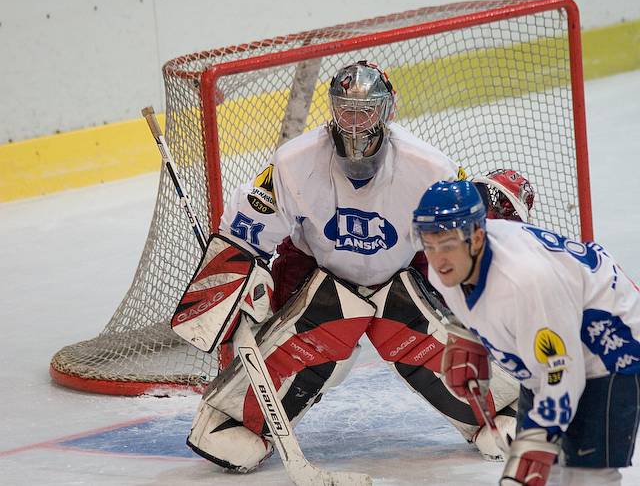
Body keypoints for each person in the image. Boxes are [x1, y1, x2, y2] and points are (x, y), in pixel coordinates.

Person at [173, 61, 520, 473]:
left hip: (400, 275)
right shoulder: (295, 161)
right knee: (312, 336)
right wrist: (235, 282)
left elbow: (461, 237)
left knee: (418, 332)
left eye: (366, 111)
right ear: (332, 110)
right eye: (346, 110)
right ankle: (233, 421)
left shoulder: (428, 167)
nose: (355, 123)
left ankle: (503, 408)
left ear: (387, 111)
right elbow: (247, 225)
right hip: (316, 272)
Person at [412, 180, 640, 486]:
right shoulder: (448, 268)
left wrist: (535, 448)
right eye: (430, 244)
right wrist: (467, 336)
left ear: (477, 237)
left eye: (448, 244)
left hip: (610, 339)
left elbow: (562, 377)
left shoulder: (525, 282)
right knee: (546, 467)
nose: (438, 259)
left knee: (583, 474)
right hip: (555, 333)